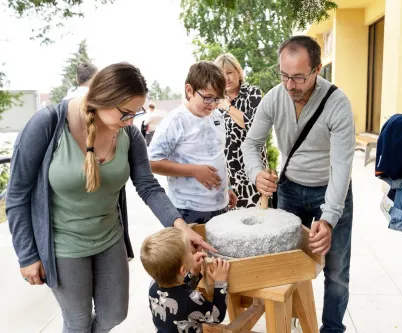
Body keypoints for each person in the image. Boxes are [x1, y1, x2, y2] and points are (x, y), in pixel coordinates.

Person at [6, 62, 214, 333]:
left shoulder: (128, 133)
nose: (130, 121)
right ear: (102, 98)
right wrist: (27, 256)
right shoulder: (47, 125)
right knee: (78, 322)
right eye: (125, 113)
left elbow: (148, 186)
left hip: (109, 238)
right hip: (63, 245)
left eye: (135, 113)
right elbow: (17, 195)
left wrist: (183, 228)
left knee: (115, 314)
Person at [242, 36, 355, 333]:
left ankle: (332, 329)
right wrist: (256, 174)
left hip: (331, 190)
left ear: (318, 69)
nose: (290, 85)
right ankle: (289, 322)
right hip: (290, 189)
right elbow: (251, 144)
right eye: (284, 75)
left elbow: (342, 166)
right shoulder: (274, 97)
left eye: (299, 77)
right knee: (287, 264)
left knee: (336, 270)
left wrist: (329, 219)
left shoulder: (338, 104)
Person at [149, 61, 237, 224]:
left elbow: (219, 156)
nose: (213, 104)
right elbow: (152, 163)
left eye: (218, 98)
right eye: (208, 98)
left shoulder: (217, 116)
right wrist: (194, 170)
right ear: (189, 90)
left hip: (221, 205)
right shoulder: (175, 121)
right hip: (188, 209)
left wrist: (228, 188)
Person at [141, 227, 230, 333]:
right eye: (189, 251)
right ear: (183, 270)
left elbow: (178, 295)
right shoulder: (193, 299)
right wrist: (220, 282)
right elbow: (217, 316)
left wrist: (193, 274)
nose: (193, 252)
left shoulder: (153, 286)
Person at [213, 53, 267, 208]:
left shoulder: (252, 93)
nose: (227, 78)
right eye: (222, 75)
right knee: (232, 225)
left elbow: (252, 125)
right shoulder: (214, 99)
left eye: (230, 72)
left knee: (256, 220)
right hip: (228, 175)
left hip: (252, 169)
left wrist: (227, 107)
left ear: (238, 72)